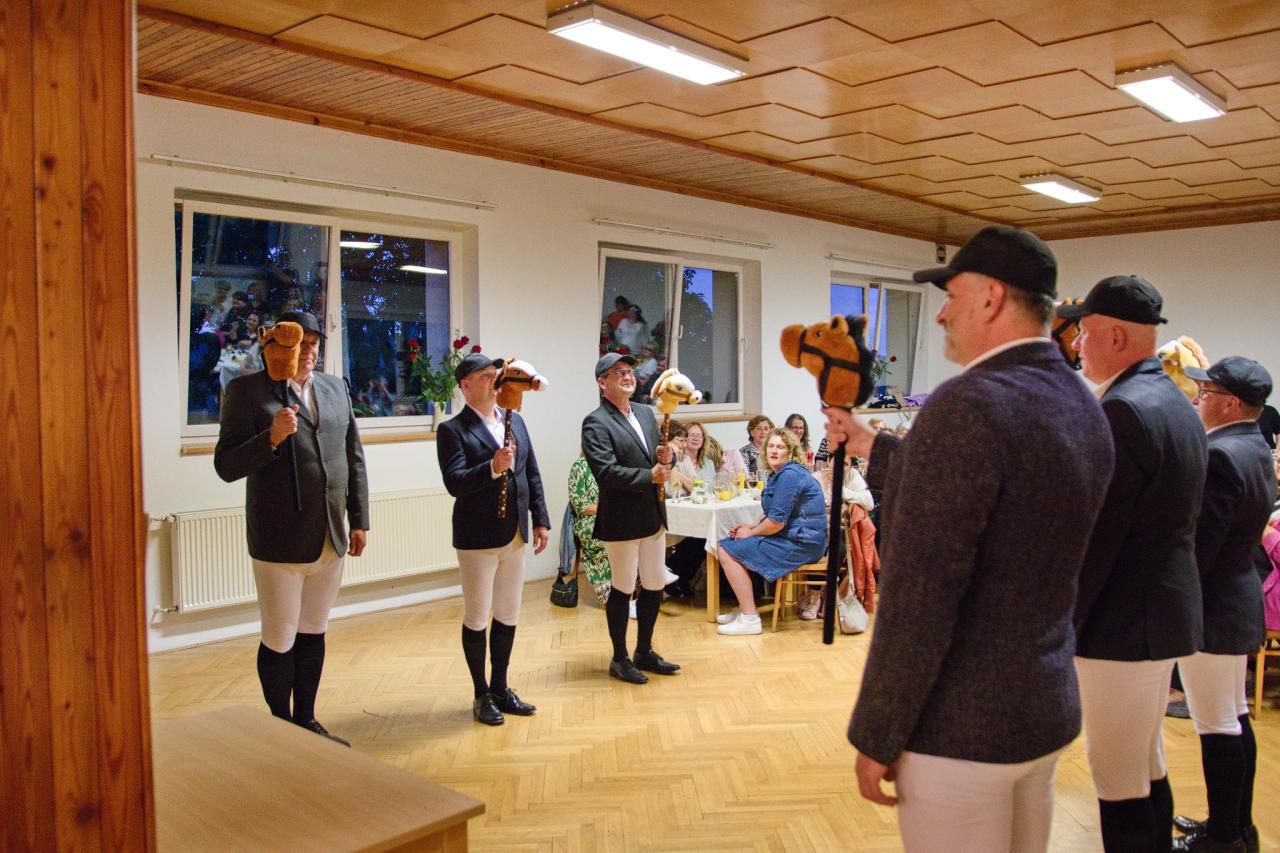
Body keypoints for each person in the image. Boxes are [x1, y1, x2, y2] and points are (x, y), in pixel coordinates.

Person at [824, 225, 1113, 852]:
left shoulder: (965, 406)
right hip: (1042, 704)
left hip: (962, 726)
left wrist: (877, 731)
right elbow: (1004, 498)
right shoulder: (1080, 400)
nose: (942, 314)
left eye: (952, 296)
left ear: (990, 297)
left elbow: (920, 596)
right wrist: (876, 445)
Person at [1058, 275, 1208, 852]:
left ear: (1116, 336)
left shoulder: (1123, 409)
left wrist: (1061, 624)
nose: (1077, 345)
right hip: (1160, 610)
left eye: (1084, 333)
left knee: (1118, 779)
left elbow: (1099, 538)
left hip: (1122, 622)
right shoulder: (1173, 399)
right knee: (1146, 763)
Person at [214, 310, 370, 747]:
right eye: (301, 344)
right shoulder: (247, 391)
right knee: (280, 636)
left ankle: (307, 721)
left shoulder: (335, 388)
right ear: (277, 346)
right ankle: (280, 728)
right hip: (279, 539)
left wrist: (359, 519)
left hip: (330, 535)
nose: (310, 352)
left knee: (313, 630)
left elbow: (353, 456)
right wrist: (271, 437)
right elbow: (226, 465)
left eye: (315, 343)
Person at [1171, 358, 1276, 853]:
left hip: (1213, 605)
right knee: (1233, 717)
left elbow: (1200, 549)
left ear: (1231, 403)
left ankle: (1224, 837)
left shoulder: (1219, 455)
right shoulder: (1253, 446)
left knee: (1216, 725)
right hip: (1235, 596)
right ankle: (1237, 827)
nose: (1197, 399)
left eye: (1205, 392)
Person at [436, 353, 551, 727]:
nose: (493, 381)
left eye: (494, 375)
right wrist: (491, 467)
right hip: (477, 537)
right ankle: (481, 693)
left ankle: (501, 687)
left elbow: (531, 473)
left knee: (508, 612)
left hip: (513, 533)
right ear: (465, 386)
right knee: (477, 614)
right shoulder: (452, 430)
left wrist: (540, 520)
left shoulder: (515, 420)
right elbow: (455, 482)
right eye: (484, 376)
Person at [581, 352, 680, 685]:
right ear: (602, 382)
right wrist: (649, 476)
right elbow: (606, 472)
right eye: (618, 372)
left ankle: (644, 651)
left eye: (629, 371)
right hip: (621, 517)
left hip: (652, 513)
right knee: (623, 587)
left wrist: (669, 456)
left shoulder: (645, 412)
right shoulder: (596, 422)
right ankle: (620, 658)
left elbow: (658, 457)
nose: (628, 376)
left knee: (654, 583)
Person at [715, 428, 827, 636]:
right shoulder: (782, 474)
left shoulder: (790, 475)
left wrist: (750, 534)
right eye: (771, 446)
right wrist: (750, 527)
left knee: (725, 549)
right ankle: (745, 608)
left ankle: (749, 618)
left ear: (790, 452)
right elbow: (775, 514)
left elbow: (776, 523)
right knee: (732, 544)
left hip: (802, 543)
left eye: (780, 447)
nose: (774, 451)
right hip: (798, 538)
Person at [568, 451, 612, 606]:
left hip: (611, 517)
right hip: (589, 520)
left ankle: (630, 590)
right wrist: (607, 510)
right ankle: (608, 595)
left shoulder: (610, 466)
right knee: (605, 534)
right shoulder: (579, 467)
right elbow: (580, 505)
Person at [672, 422, 746, 490]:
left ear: (703, 440)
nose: (695, 438)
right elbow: (674, 488)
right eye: (691, 435)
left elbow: (712, 489)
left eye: (699, 435)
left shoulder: (709, 463)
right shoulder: (676, 461)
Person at [739, 415, 774, 480]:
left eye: (766, 428)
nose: (763, 432)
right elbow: (744, 477)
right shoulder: (743, 452)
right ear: (752, 432)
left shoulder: (775, 450)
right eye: (758, 429)